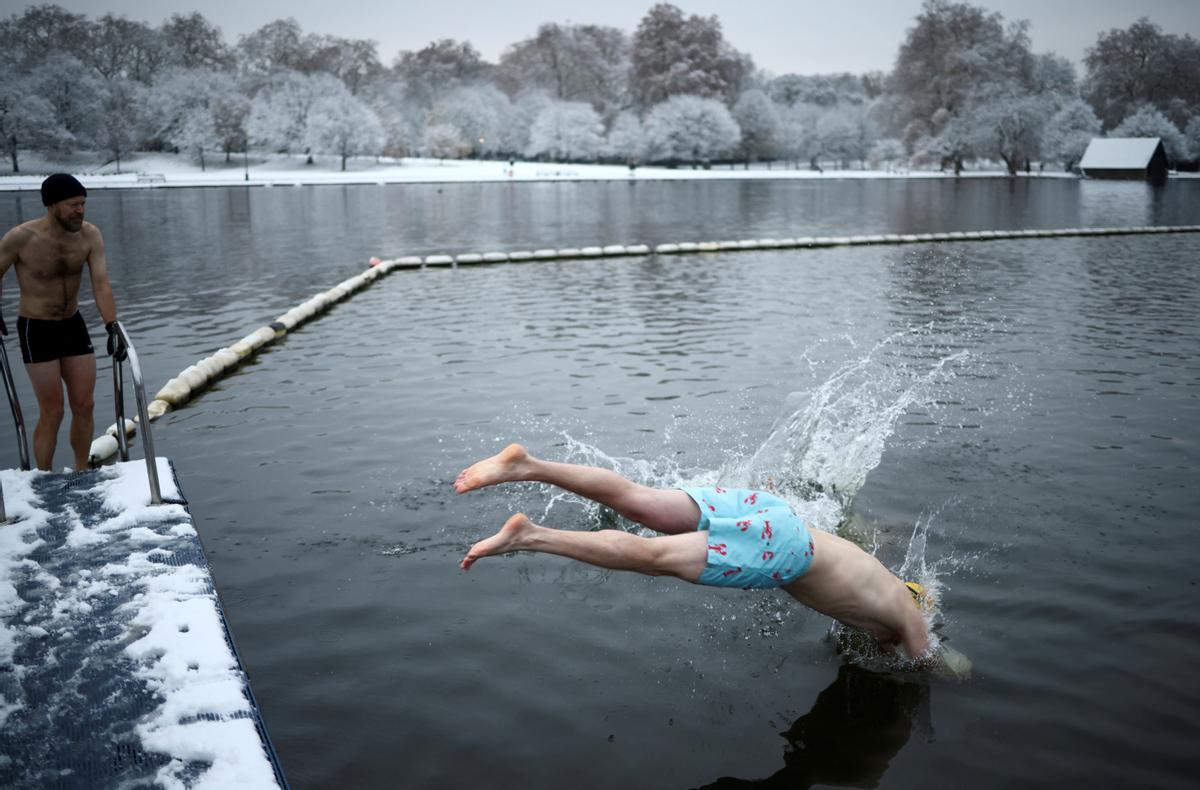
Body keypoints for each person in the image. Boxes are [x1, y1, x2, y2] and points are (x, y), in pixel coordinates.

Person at [456, 443, 932, 659]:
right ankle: (530, 536)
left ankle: (526, 465)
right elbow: (932, 658)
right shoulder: (902, 612)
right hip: (785, 550)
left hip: (778, 516)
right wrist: (942, 660)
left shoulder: (878, 585)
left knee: (640, 501)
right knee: (653, 557)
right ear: (914, 601)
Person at [0, 174, 125, 471]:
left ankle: (81, 471)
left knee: (84, 405)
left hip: (72, 324)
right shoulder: (21, 237)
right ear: (52, 205)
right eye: (73, 205)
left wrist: (112, 326)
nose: (80, 210)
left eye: (83, 204)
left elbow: (101, 284)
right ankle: (44, 476)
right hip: (35, 327)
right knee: (52, 410)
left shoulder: (90, 235)